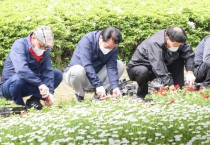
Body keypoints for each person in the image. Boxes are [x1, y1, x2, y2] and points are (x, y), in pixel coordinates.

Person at [0, 26, 63, 110]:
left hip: (30, 83)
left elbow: (47, 71)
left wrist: (50, 92)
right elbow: (21, 70)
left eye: (46, 47)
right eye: (41, 46)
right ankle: (19, 106)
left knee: (57, 74)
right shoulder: (19, 44)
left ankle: (34, 100)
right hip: (10, 86)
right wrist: (40, 84)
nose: (43, 49)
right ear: (33, 38)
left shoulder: (45, 50)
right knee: (18, 79)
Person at [127, 26, 195, 99]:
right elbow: (158, 65)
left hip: (163, 64)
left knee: (178, 59)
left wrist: (190, 72)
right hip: (140, 68)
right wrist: (169, 84)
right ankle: (142, 95)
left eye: (179, 45)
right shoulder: (155, 42)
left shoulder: (180, 38)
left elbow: (189, 54)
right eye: (174, 45)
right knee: (142, 71)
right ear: (167, 38)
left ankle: (178, 91)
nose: (177, 47)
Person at [64, 26, 125, 102]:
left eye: (112, 48)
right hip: (76, 77)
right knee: (78, 70)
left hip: (95, 76)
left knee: (119, 65)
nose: (110, 50)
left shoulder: (113, 47)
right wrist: (98, 84)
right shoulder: (87, 40)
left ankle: (100, 95)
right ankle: (79, 95)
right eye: (108, 47)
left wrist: (114, 86)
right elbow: (86, 64)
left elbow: (112, 67)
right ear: (101, 38)